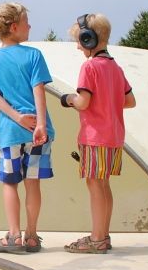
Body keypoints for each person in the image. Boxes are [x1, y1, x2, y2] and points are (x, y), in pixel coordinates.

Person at [58, 13, 136, 254]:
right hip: (113, 136)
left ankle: (97, 239)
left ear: (89, 38)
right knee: (104, 185)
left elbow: (82, 102)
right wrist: (108, 101)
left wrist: (67, 98)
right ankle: (103, 235)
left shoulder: (89, 67)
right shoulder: (115, 67)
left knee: (94, 186)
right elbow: (130, 101)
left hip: (94, 136)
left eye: (80, 41)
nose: (78, 46)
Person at [0, 2, 55, 254]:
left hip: (10, 133)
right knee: (33, 184)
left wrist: (17, 117)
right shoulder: (34, 55)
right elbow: (39, 89)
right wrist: (40, 124)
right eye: (26, 22)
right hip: (38, 132)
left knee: (10, 183)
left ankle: (13, 235)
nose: (30, 26)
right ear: (14, 27)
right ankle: (32, 236)